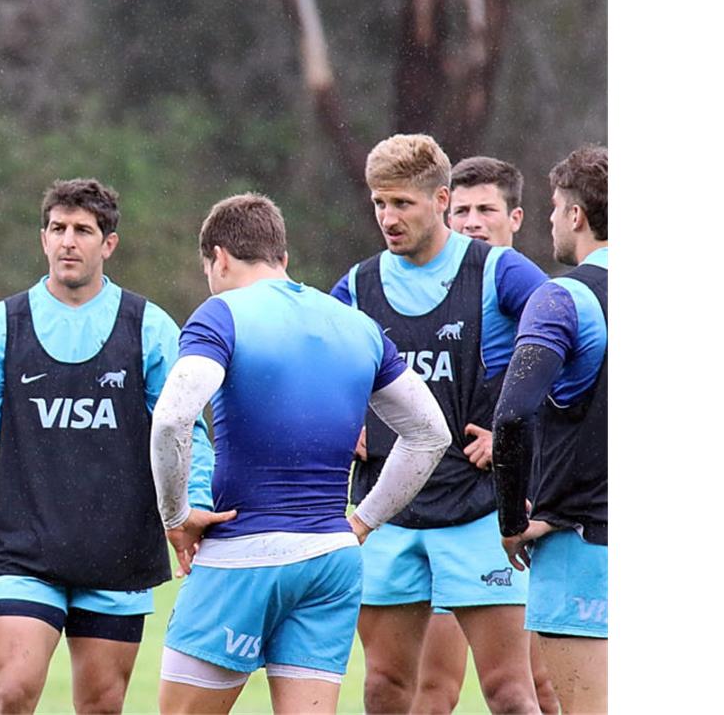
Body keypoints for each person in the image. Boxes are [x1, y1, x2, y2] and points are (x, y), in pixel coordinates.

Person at [0, 178, 216, 714]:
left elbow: (185, 434)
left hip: (119, 551)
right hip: (27, 551)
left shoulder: (151, 330)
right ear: (43, 239)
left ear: (108, 244)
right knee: (14, 692)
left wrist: (189, 507)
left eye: (83, 230)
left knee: (102, 706)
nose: (68, 241)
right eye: (58, 228)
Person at [149, 193, 451, 715]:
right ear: (282, 259)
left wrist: (175, 516)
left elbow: (174, 417)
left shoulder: (221, 314)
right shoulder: (356, 325)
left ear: (219, 258)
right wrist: (364, 521)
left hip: (243, 556)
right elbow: (430, 433)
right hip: (331, 560)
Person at [330, 134, 548, 714]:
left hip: (477, 513)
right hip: (387, 514)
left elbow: (573, 340)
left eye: (402, 203)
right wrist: (340, 415)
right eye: (379, 203)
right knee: (384, 689)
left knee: (508, 692)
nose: (387, 217)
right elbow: (318, 366)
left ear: (441, 200)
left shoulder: (498, 271)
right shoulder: (357, 286)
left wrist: (514, 433)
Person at [417, 156, 560, 714]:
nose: (472, 221)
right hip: (432, 514)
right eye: (462, 210)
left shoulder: (533, 295)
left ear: (516, 217)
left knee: (533, 687)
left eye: (487, 210)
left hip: (517, 513)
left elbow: (573, 380)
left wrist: (512, 440)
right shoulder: (417, 291)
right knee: (432, 691)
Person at [493, 145, 608, 714]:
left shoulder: (563, 298)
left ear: (576, 216)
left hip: (586, 548)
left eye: (555, 208)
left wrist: (512, 518)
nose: (550, 220)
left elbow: (513, 414)